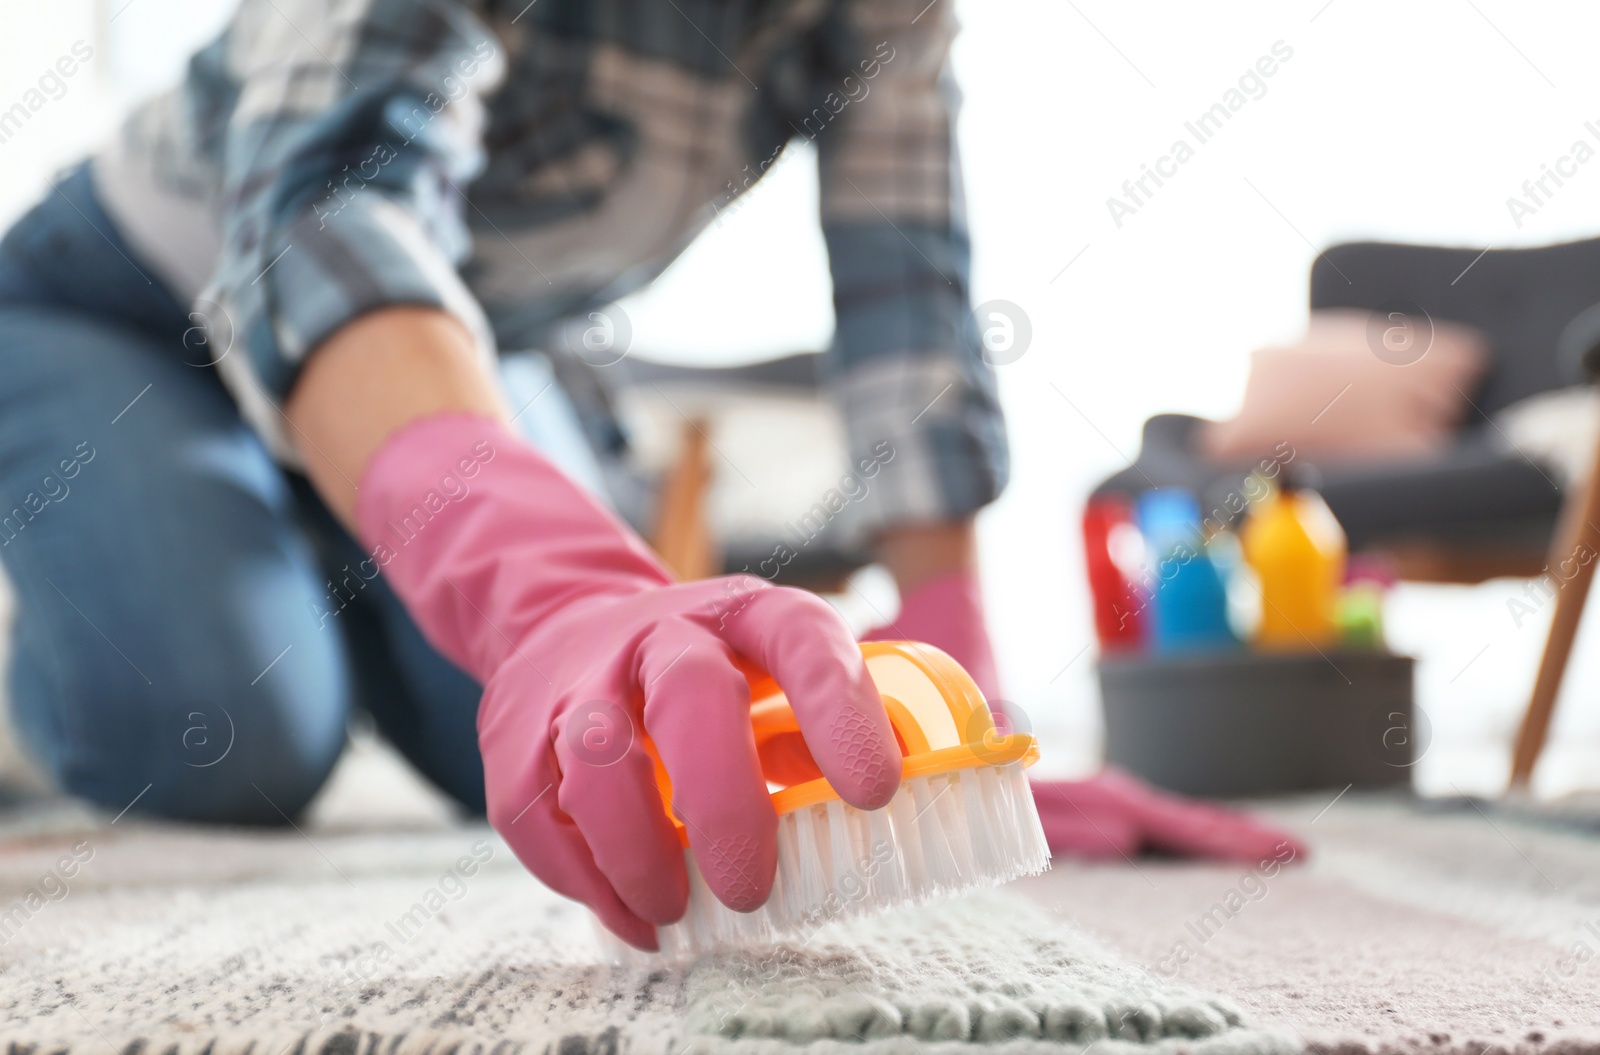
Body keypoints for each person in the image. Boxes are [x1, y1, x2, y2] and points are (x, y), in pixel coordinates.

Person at [0, 0, 1295, 951]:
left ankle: (304, 543)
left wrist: (959, 705)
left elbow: (911, 319)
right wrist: (553, 587)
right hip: (127, 321)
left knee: (602, 764)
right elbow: (332, 218)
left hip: (462, 357)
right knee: (230, 744)